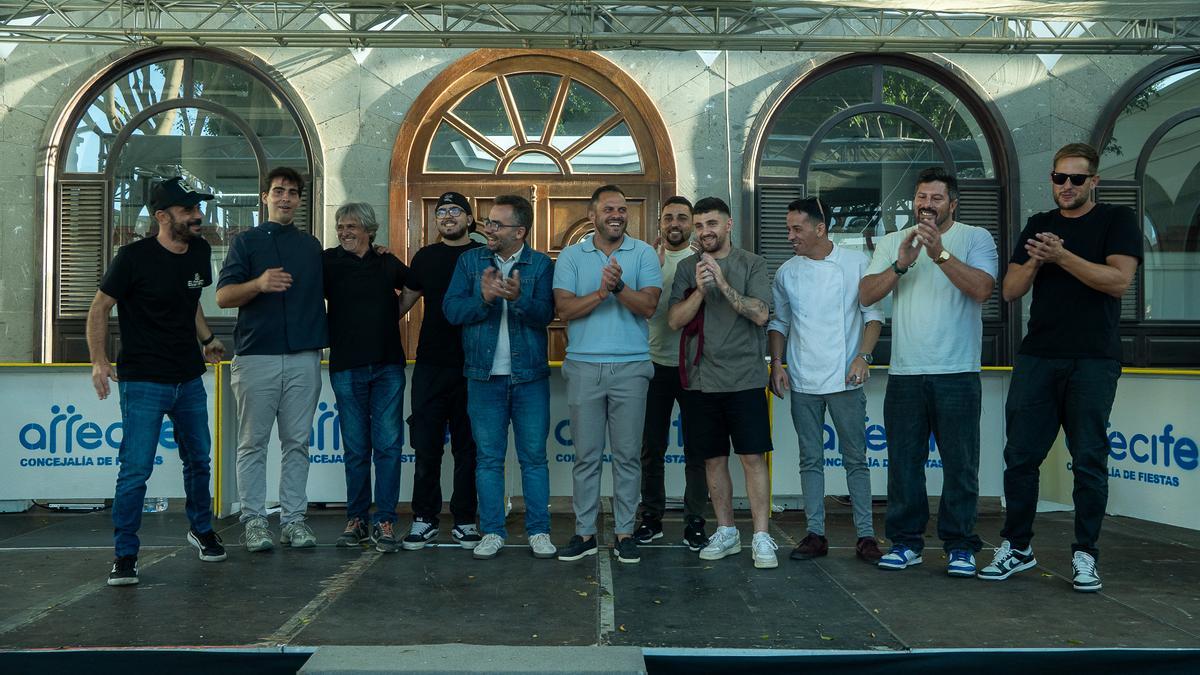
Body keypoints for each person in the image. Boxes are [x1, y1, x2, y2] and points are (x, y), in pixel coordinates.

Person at [979, 143, 1141, 592]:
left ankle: (1085, 553)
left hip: (1093, 358)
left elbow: (1118, 281)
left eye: (1076, 179)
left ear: (1094, 182)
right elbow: (1010, 290)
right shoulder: (1039, 225)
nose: (1066, 186)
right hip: (1038, 356)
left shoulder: (1116, 220)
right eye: (1058, 178)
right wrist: (1037, 257)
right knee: (1020, 456)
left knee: (1088, 460)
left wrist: (1062, 256)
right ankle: (1017, 546)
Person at [86, 176, 226, 586]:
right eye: (188, 210)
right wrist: (98, 361)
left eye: (198, 208)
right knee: (135, 470)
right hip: (143, 380)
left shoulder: (200, 250)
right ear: (163, 216)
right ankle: (125, 554)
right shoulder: (132, 258)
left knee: (199, 460)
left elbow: (190, 300)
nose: (197, 215)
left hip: (189, 378)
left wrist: (208, 339)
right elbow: (99, 308)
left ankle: (201, 530)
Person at [859, 166, 998, 577]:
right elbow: (866, 294)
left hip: (958, 371)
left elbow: (983, 289)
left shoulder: (975, 237)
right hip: (906, 373)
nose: (927, 204)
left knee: (960, 465)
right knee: (904, 464)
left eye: (936, 198)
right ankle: (906, 543)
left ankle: (960, 546)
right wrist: (901, 264)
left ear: (952, 204)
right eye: (922, 197)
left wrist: (939, 254)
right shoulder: (893, 241)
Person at [768, 197, 884, 564]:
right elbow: (779, 323)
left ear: (820, 229)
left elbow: (873, 316)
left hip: (845, 379)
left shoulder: (856, 263)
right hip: (803, 379)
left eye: (796, 229)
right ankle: (815, 533)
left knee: (856, 459)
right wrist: (777, 364)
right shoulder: (786, 272)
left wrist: (863, 357)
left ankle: (866, 536)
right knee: (810, 459)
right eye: (788, 229)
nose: (790, 236)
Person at [217, 166, 327, 552]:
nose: (286, 198)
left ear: (299, 200)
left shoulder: (311, 246)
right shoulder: (245, 242)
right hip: (256, 357)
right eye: (279, 191)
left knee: (297, 443)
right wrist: (259, 284)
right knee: (253, 444)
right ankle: (254, 521)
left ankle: (293, 521)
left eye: (293, 192)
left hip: (303, 358)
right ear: (265, 197)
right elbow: (223, 297)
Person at [444, 194, 557, 560]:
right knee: (488, 460)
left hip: (529, 378)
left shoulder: (540, 264)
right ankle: (492, 531)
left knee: (533, 459)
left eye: (496, 224)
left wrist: (519, 298)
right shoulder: (469, 261)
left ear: (519, 231)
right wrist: (484, 299)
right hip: (483, 377)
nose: (488, 229)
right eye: (488, 222)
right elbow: (451, 311)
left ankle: (539, 531)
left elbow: (546, 314)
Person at [668, 197, 778, 569]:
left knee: (752, 457)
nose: (705, 232)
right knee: (713, 460)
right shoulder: (687, 268)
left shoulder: (752, 263)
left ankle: (761, 536)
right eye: (699, 225)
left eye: (711, 224)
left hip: (745, 377)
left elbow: (761, 314)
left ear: (728, 225)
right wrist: (701, 290)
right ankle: (727, 531)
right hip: (701, 380)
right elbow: (674, 320)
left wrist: (722, 282)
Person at [553, 185, 661, 565]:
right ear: (592, 215)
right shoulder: (571, 256)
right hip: (584, 366)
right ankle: (584, 533)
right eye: (609, 209)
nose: (617, 215)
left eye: (622, 209)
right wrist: (601, 293)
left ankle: (625, 533)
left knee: (628, 457)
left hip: (631, 367)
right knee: (586, 456)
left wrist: (618, 287)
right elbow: (564, 309)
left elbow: (648, 306)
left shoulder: (643, 253)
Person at [398, 191, 483, 550]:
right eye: (442, 211)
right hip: (430, 364)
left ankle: (465, 520)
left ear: (469, 219)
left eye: (455, 211)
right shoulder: (425, 257)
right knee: (426, 446)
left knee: (468, 448)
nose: (448, 216)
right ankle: (424, 518)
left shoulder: (482, 256)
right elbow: (404, 300)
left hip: (473, 365)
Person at [324, 203, 409, 553]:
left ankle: (385, 520)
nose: (344, 232)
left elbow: (415, 286)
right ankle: (357, 520)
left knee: (388, 448)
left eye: (351, 226)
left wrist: (393, 313)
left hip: (388, 367)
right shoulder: (327, 261)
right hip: (346, 366)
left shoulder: (386, 261)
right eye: (341, 226)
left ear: (369, 230)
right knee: (356, 449)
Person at [635, 196, 711, 551]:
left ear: (691, 223)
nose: (674, 223)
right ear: (660, 224)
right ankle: (651, 518)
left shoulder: (703, 262)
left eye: (682, 217)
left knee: (697, 450)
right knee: (651, 447)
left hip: (694, 367)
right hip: (652, 365)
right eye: (668, 218)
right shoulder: (645, 260)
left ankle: (695, 522)